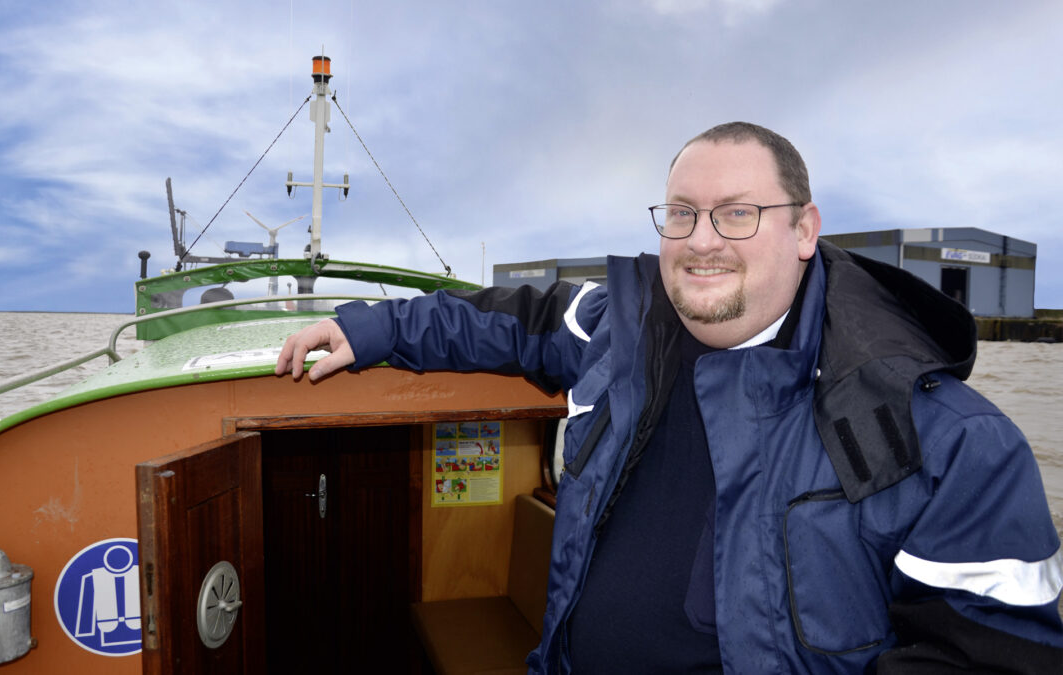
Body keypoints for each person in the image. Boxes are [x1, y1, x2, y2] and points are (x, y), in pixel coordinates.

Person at [276, 122, 1063, 673]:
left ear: (804, 229)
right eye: (682, 213)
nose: (702, 238)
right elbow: (503, 320)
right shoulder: (618, 329)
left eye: (738, 213)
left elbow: (993, 656)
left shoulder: (946, 440)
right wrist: (368, 330)